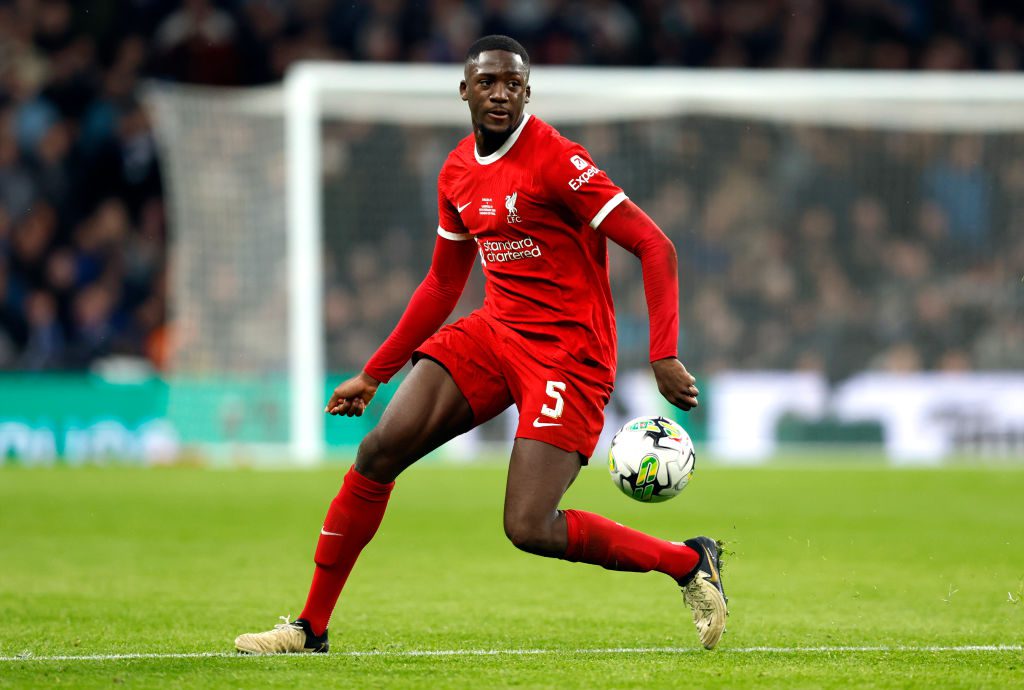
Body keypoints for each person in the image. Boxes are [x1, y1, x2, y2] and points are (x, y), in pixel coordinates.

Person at [234, 35, 727, 654]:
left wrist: (663, 352)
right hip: (495, 333)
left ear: (528, 92)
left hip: (567, 355)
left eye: (513, 85)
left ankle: (686, 561)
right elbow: (443, 283)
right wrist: (374, 373)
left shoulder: (558, 160)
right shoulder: (457, 171)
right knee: (378, 452)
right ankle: (309, 628)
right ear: (465, 89)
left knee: (527, 526)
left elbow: (655, 245)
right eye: (488, 82)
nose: (500, 94)